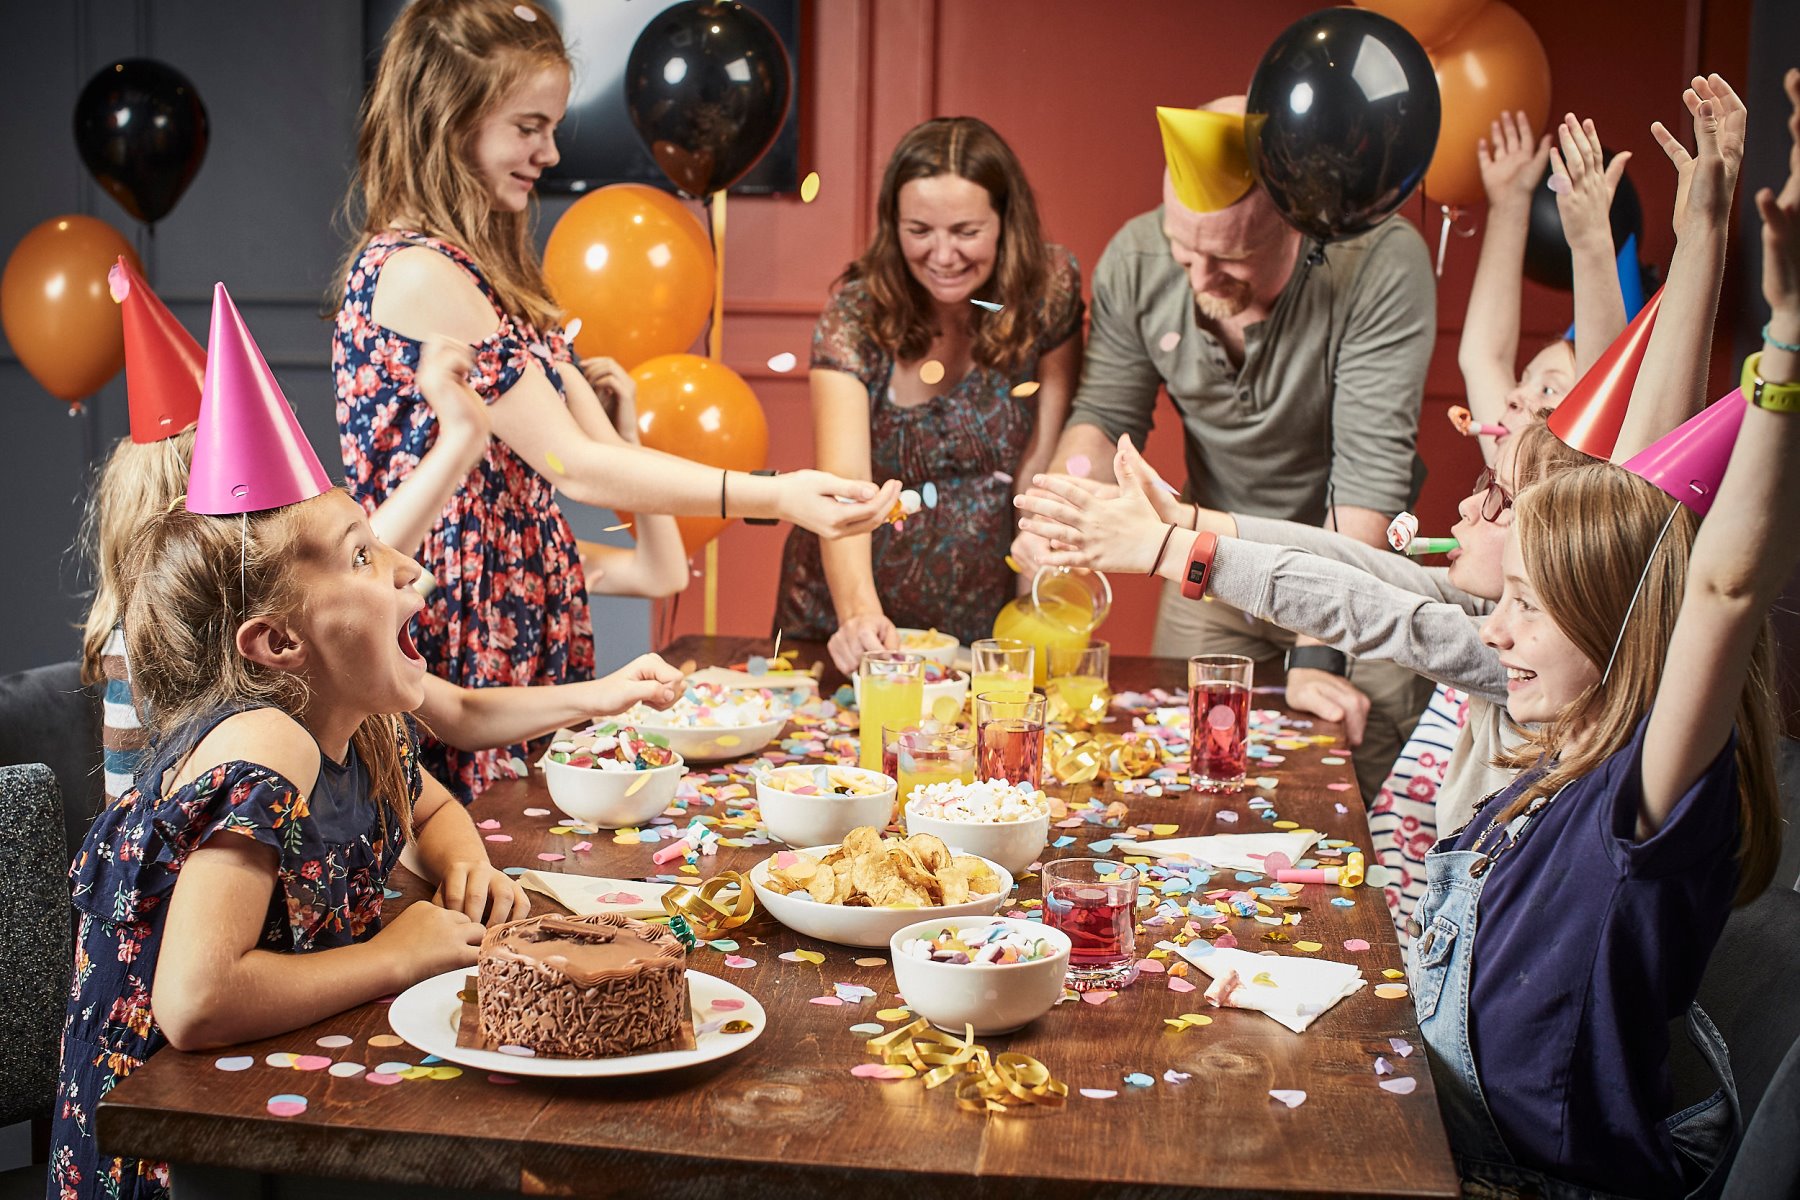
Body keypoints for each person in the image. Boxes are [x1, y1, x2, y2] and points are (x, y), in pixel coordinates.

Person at [335, 0, 899, 798]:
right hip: (458, 644)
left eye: (552, 124)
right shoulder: (419, 272)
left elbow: (600, 458)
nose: (550, 150)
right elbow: (581, 471)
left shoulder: (480, 275)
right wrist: (779, 496)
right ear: (449, 118)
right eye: (528, 125)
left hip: (519, 631)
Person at [53, 298, 530, 1200]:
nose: (408, 570)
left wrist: (462, 864)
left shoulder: (360, 725)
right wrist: (401, 952)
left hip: (270, 1112)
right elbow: (194, 1001)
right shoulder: (267, 742)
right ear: (277, 645)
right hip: (176, 1156)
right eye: (361, 557)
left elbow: (433, 808)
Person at [84, 287, 686, 802]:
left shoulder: (330, 672)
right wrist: (462, 438)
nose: (405, 570)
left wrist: (606, 695)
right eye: (362, 554)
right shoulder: (205, 663)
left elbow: (457, 716)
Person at [1013, 97, 1438, 802]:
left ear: (1300, 223)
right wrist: (1060, 509)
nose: (1200, 281)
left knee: (1352, 797)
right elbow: (1103, 415)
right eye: (1184, 253)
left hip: (1358, 571)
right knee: (1191, 786)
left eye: (1232, 257)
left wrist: (1317, 651)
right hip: (1209, 562)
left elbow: (1370, 476)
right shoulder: (1136, 259)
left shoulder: (1379, 259)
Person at [771, 116, 1084, 673]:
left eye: (966, 231)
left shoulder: (1047, 291)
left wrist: (1031, 597)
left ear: (1006, 222)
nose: (943, 256)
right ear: (893, 225)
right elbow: (846, 489)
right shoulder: (856, 316)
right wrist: (860, 616)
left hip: (982, 621)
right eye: (920, 231)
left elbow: (1044, 454)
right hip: (843, 618)